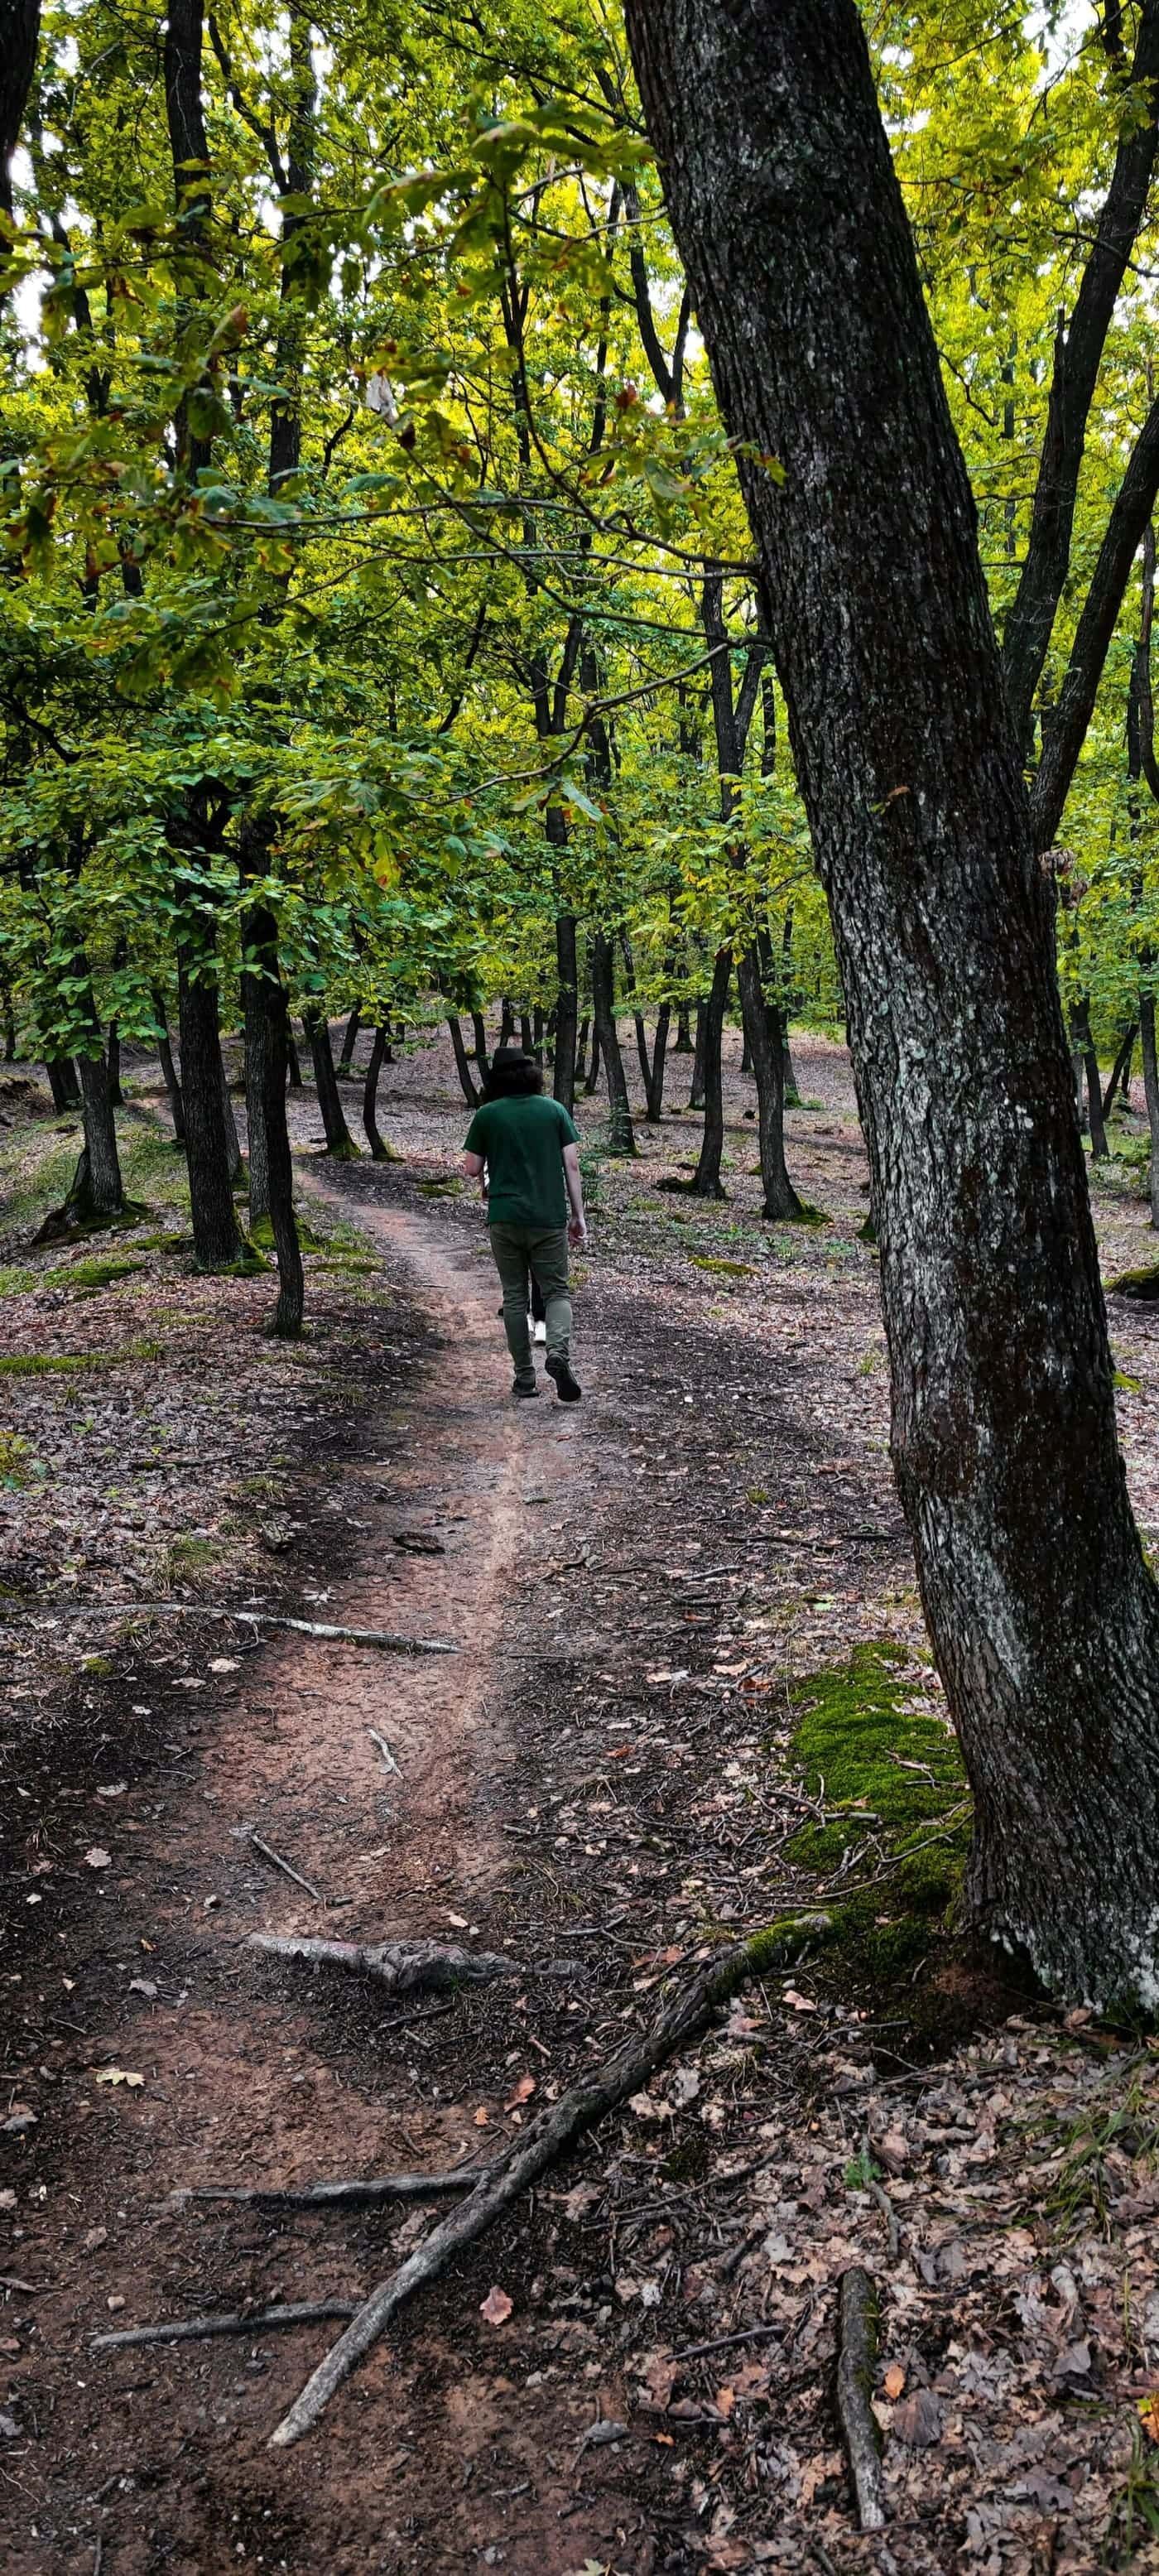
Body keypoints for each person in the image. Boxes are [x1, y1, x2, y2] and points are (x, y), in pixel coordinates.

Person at [464, 1048, 587, 1402]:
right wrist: (578, 1216)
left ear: (496, 1079)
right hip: (548, 1217)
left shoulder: (487, 1115)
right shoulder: (554, 1111)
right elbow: (572, 1168)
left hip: (504, 1217)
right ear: (532, 1074)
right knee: (557, 1292)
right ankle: (558, 1354)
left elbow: (473, 1169)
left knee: (514, 1296)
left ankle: (524, 1379)